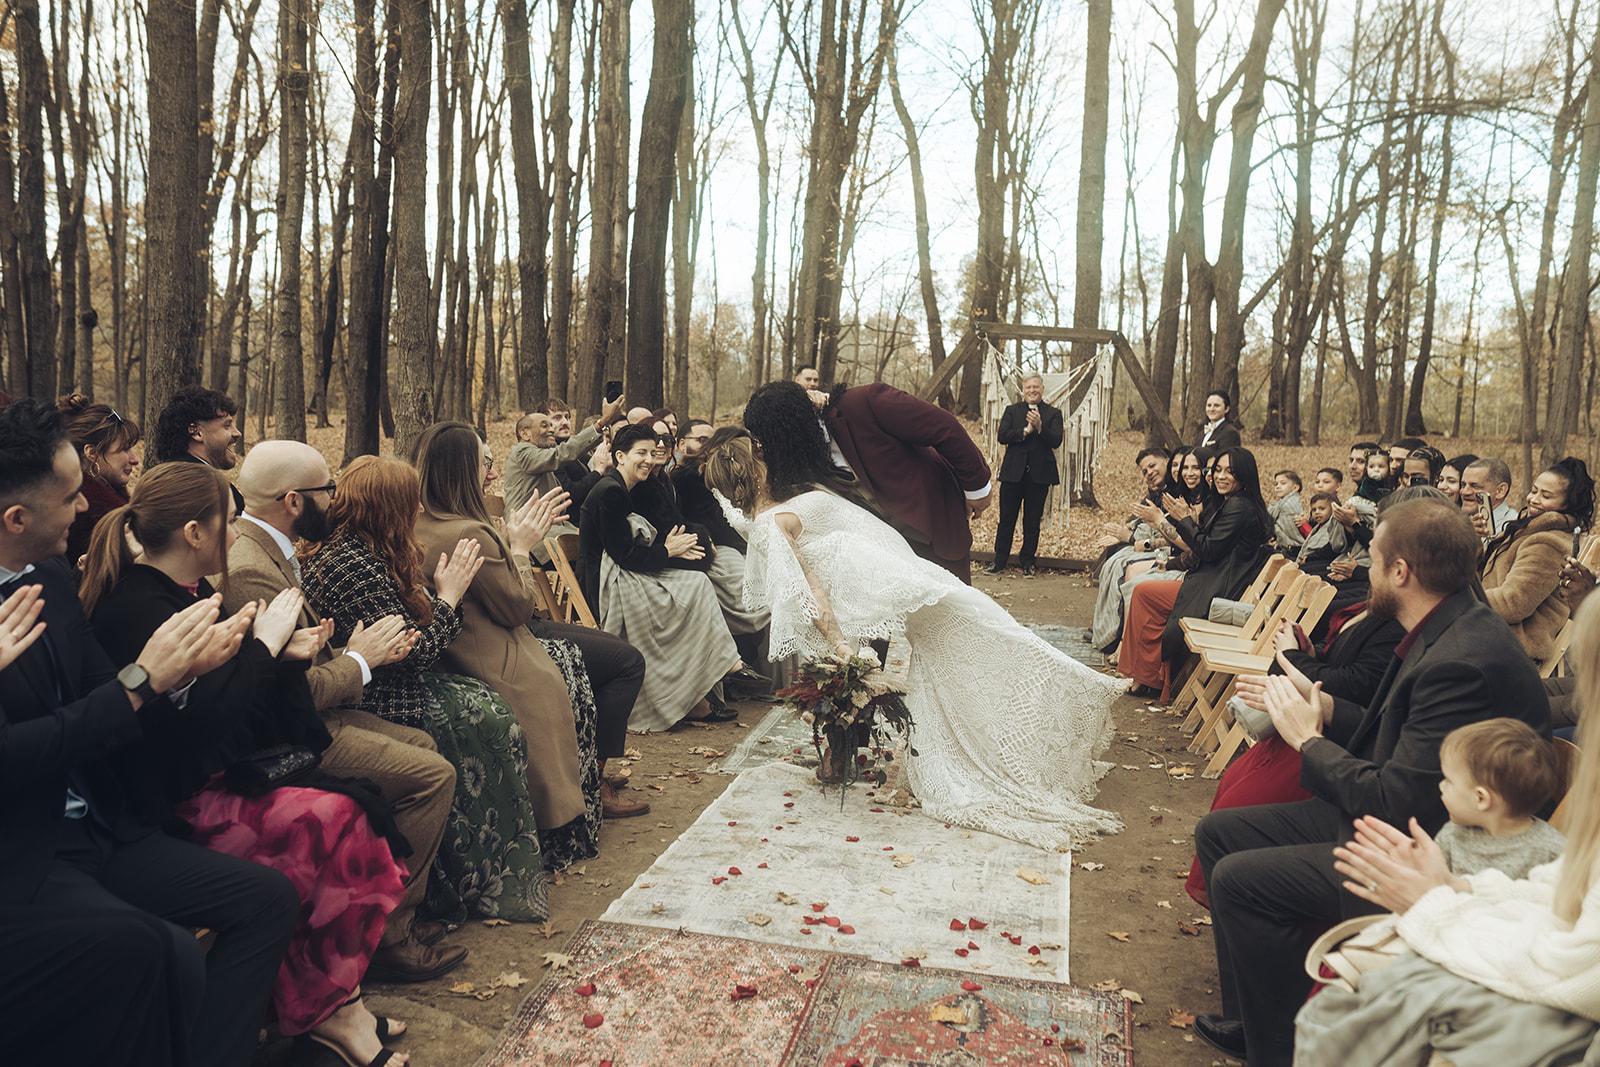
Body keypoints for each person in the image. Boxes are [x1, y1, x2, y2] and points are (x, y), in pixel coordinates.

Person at [1191, 498, 1550, 1066]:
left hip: (1434, 853)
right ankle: (1260, 1020)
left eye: (1375, 560)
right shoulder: (1447, 625)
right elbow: (1398, 742)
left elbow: (1395, 802)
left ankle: (1286, 1051)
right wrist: (1325, 708)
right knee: (1220, 833)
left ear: (1401, 571)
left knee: (1241, 880)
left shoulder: (1459, 660)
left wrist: (1308, 740)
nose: (1367, 571)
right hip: (1407, 819)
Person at [81, 462, 413, 1067]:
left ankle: (337, 1005)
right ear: (194, 533)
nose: (236, 533)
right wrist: (265, 648)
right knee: (339, 822)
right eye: (229, 521)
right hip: (170, 809)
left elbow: (230, 701)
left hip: (211, 781)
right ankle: (329, 1009)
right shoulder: (136, 607)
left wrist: (283, 656)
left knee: (354, 814)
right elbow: (201, 726)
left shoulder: (187, 593)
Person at [0, 398, 293, 1067]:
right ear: (16, 518)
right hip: (27, 851)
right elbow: (18, 754)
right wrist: (143, 682)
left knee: (267, 899)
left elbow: (106, 696)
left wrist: (183, 673)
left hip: (102, 825)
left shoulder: (48, 579)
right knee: (163, 952)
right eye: (70, 496)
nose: (87, 507)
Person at [703, 399, 1126, 851]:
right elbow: (799, 574)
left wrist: (840, 645)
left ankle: (1055, 712)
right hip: (903, 585)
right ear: (757, 468)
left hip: (906, 584)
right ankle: (1056, 709)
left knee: (984, 633)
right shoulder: (787, 511)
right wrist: (842, 647)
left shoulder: (773, 514)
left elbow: (781, 557)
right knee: (985, 633)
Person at [1292, 597, 1600, 1065]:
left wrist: (1435, 906)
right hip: (1505, 944)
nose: (1584, 704)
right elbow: (1563, 900)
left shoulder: (1460, 655)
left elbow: (1571, 965)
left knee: (1357, 1006)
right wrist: (1457, 889)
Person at [227, 440, 467, 983]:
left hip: (317, 708)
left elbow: (299, 659)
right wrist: (361, 658)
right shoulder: (250, 570)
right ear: (293, 500)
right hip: (285, 737)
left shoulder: (273, 550)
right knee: (433, 775)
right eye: (326, 489)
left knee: (422, 744)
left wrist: (348, 650)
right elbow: (280, 694)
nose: (335, 499)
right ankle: (386, 936)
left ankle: (381, 909)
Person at [301, 455, 559, 922]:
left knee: (493, 704)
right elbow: (413, 652)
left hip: (396, 681)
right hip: (380, 696)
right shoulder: (351, 564)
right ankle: (471, 879)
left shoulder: (369, 549)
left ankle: (518, 852)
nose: (419, 510)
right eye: (410, 502)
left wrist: (435, 599)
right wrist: (450, 596)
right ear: (387, 508)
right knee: (484, 720)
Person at [412, 421, 607, 867]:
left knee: (579, 657)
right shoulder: (468, 533)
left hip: (456, 652)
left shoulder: (419, 524)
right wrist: (520, 547)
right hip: (495, 658)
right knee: (574, 670)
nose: (493, 474)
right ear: (460, 472)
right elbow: (519, 606)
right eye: (483, 464)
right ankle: (564, 820)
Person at [579, 423, 741, 732]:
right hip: (608, 583)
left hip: (623, 572)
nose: (648, 460)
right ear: (620, 456)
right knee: (694, 588)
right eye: (640, 453)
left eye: (652, 453)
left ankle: (706, 683)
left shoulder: (624, 488)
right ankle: (715, 672)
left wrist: (675, 549)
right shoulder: (611, 492)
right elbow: (626, 556)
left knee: (696, 586)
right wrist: (669, 550)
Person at [748, 380, 993, 583]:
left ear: (791, 432)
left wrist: (976, 489)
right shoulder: (802, 461)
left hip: (935, 526)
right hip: (884, 554)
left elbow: (944, 428)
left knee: (959, 617)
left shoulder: (865, 402)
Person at [1117, 447, 1272, 700]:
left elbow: (1207, 549)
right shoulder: (1233, 502)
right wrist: (1174, 558)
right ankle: (1147, 677)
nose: (1220, 476)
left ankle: (1147, 678)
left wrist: (1184, 520)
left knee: (1144, 593)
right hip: (1209, 579)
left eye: (1229, 472)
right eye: (1218, 470)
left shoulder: (1240, 507)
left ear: (1243, 475)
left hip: (1218, 589)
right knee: (1143, 589)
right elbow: (1205, 548)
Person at [1479, 456, 1595, 664]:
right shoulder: (1527, 529)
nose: (1534, 499)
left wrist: (1460, 601)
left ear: (1566, 504)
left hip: (1512, 649)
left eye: (1546, 496)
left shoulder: (1548, 543)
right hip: (1491, 634)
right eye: (1534, 491)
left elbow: (1513, 603)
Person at [1432, 718, 1566, 878]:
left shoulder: (1552, 852)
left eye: (1448, 780)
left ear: (1481, 798)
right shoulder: (1450, 836)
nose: (1441, 785)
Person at [675, 427, 771, 645]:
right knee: (750, 585)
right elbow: (707, 522)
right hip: (717, 546)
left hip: (744, 543)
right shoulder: (691, 479)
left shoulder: (751, 474)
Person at [1089, 447, 1173, 651]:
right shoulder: (1155, 492)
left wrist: (1129, 537)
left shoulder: (1177, 494)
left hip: (1168, 552)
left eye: (1152, 466)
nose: (1149, 473)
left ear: (1166, 461)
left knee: (1123, 562)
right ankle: (1106, 627)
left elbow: (1171, 535)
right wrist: (1123, 532)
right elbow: (1136, 519)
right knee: (1113, 552)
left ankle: (1116, 636)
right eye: (1145, 471)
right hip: (1149, 543)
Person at [505, 393, 628, 515]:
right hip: (526, 524)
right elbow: (561, 456)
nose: (551, 429)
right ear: (525, 434)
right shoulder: (522, 452)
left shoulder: (550, 453)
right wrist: (602, 422)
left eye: (567, 417)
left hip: (553, 521)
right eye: (545, 425)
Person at [988, 374, 1062, 577]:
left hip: (1039, 476)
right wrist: (1025, 431)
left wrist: (1040, 427)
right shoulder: (1012, 411)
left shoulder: (1054, 413)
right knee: (1006, 520)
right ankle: (999, 561)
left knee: (1032, 522)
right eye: (1028, 387)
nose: (1032, 390)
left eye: (1035, 387)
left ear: (1042, 389)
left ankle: (1028, 562)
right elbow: (1002, 436)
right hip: (1013, 474)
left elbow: (1056, 441)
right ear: (1023, 390)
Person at [58, 393, 142, 567]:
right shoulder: (90, 512)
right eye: (124, 449)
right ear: (92, 453)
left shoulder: (108, 498)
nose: (135, 459)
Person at [150, 384, 246, 511]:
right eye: (227, 425)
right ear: (196, 432)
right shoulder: (213, 491)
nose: (237, 433)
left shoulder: (157, 482)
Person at [1461, 456, 1519, 537]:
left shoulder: (1513, 527)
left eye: (1475, 486)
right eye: (1463, 485)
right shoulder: (1462, 523)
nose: (1464, 492)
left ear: (1500, 491)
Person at [1296, 492, 1348, 578]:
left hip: (1322, 561)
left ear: (1333, 509)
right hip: (1309, 559)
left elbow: (1331, 549)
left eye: (1322, 509)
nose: (1317, 512)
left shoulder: (1334, 525)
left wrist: (1309, 558)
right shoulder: (1317, 527)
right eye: (1314, 510)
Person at [1268, 469, 1305, 550]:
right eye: (1276, 484)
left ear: (1295, 488)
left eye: (1283, 483)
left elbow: (1289, 533)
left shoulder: (1288, 505)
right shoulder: (1282, 503)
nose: (1278, 486)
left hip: (1293, 547)